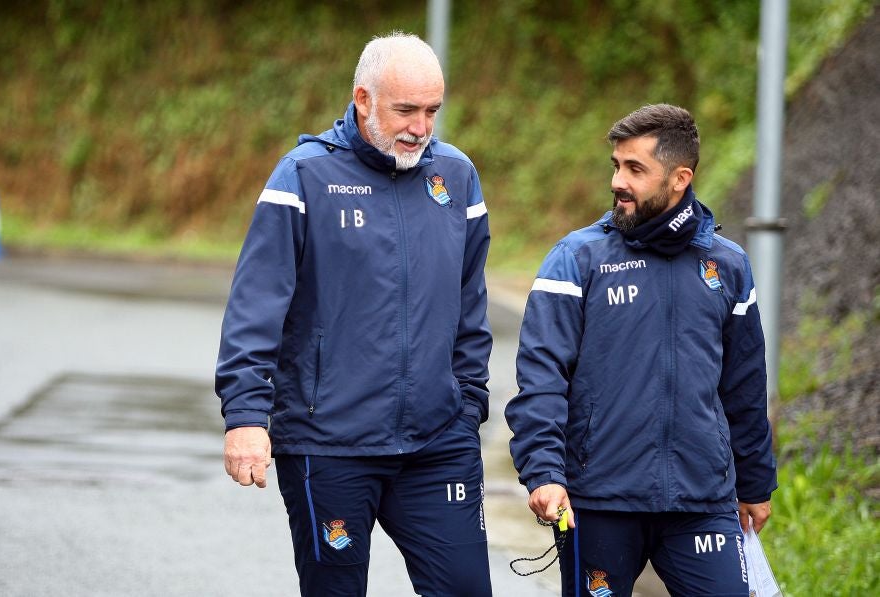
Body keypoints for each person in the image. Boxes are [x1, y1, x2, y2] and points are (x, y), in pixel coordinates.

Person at [215, 32, 493, 597]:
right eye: (406, 110)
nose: (420, 127)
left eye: (432, 111)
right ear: (363, 100)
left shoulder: (456, 177)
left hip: (438, 444)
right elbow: (256, 304)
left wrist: (469, 403)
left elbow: (470, 300)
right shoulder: (304, 177)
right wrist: (245, 416)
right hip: (329, 443)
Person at [505, 104, 777, 597]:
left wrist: (755, 483)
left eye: (635, 169)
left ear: (679, 178)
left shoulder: (728, 266)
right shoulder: (576, 259)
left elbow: (744, 385)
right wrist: (543, 472)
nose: (618, 181)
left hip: (702, 500)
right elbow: (542, 375)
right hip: (599, 501)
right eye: (616, 165)